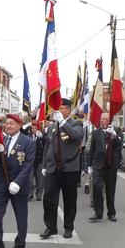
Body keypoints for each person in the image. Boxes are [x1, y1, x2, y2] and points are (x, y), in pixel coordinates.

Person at [0, 114, 35, 248]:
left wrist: (18, 182)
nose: (8, 126)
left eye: (12, 123)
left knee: (21, 215)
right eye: (7, 123)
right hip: (1, 183)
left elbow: (28, 165)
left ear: (19, 125)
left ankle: (20, 243)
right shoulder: (2, 140)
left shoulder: (28, 142)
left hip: (18, 184)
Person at [40, 99, 84, 239]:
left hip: (69, 169)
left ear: (69, 110)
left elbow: (76, 136)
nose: (61, 111)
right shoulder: (53, 127)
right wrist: (45, 165)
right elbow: (48, 147)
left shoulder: (76, 123)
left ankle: (68, 227)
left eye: (64, 108)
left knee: (69, 200)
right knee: (49, 199)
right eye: (59, 108)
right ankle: (50, 227)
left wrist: (63, 123)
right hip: (53, 169)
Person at [88, 113, 123, 222]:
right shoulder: (95, 133)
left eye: (105, 119)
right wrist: (89, 165)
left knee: (110, 190)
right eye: (101, 119)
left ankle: (111, 213)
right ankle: (98, 213)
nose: (102, 121)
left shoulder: (116, 131)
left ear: (109, 121)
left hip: (111, 165)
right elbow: (91, 150)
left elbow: (120, 144)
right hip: (98, 165)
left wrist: (114, 134)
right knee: (97, 187)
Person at [29, 121, 45, 201]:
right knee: (30, 179)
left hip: (39, 160)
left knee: (40, 180)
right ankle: (30, 194)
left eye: (35, 128)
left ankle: (39, 194)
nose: (34, 129)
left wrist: (42, 137)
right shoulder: (28, 136)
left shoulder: (42, 136)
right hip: (30, 160)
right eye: (32, 128)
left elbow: (47, 142)